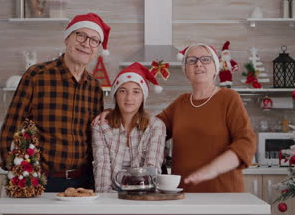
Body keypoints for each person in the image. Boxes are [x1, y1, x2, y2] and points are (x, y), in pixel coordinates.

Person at [95, 43, 256, 192]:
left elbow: (246, 142)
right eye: (192, 60)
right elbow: (145, 126)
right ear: (186, 70)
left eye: (205, 59)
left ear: (216, 67)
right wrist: (115, 112)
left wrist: (213, 169)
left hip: (222, 193)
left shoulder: (229, 98)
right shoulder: (181, 103)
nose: (198, 64)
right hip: (184, 195)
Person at [0, 13, 110, 192]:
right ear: (67, 38)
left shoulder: (95, 87)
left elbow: (93, 138)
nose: (86, 43)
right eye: (80, 35)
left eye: (94, 40)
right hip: (41, 181)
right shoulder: (37, 75)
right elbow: (12, 127)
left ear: (97, 48)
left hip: (82, 182)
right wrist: (17, 172)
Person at [92, 62, 166, 192]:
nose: (129, 98)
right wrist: (105, 203)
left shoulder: (156, 126)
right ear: (115, 95)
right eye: (123, 91)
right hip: (110, 198)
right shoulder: (101, 127)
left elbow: (151, 169)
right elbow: (102, 170)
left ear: (143, 97)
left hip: (143, 196)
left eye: (136, 92)